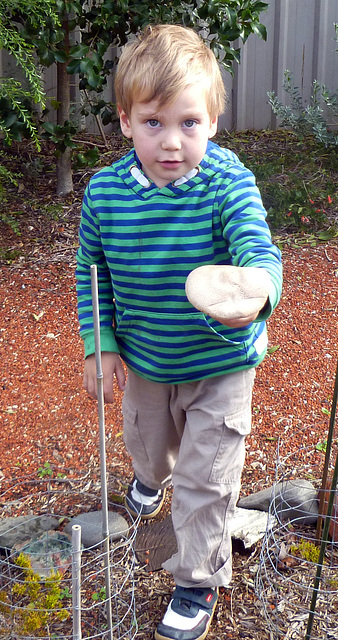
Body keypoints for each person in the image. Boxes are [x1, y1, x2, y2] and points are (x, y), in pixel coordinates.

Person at [76, 23, 282, 640]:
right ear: (124, 120)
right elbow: (94, 279)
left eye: (189, 123)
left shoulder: (227, 183)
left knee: (207, 475)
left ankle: (197, 576)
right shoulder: (106, 195)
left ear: (213, 122)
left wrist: (258, 291)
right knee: (147, 438)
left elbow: (257, 249)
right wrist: (101, 346)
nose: (172, 143)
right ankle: (148, 479)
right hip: (148, 361)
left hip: (221, 363)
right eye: (154, 123)